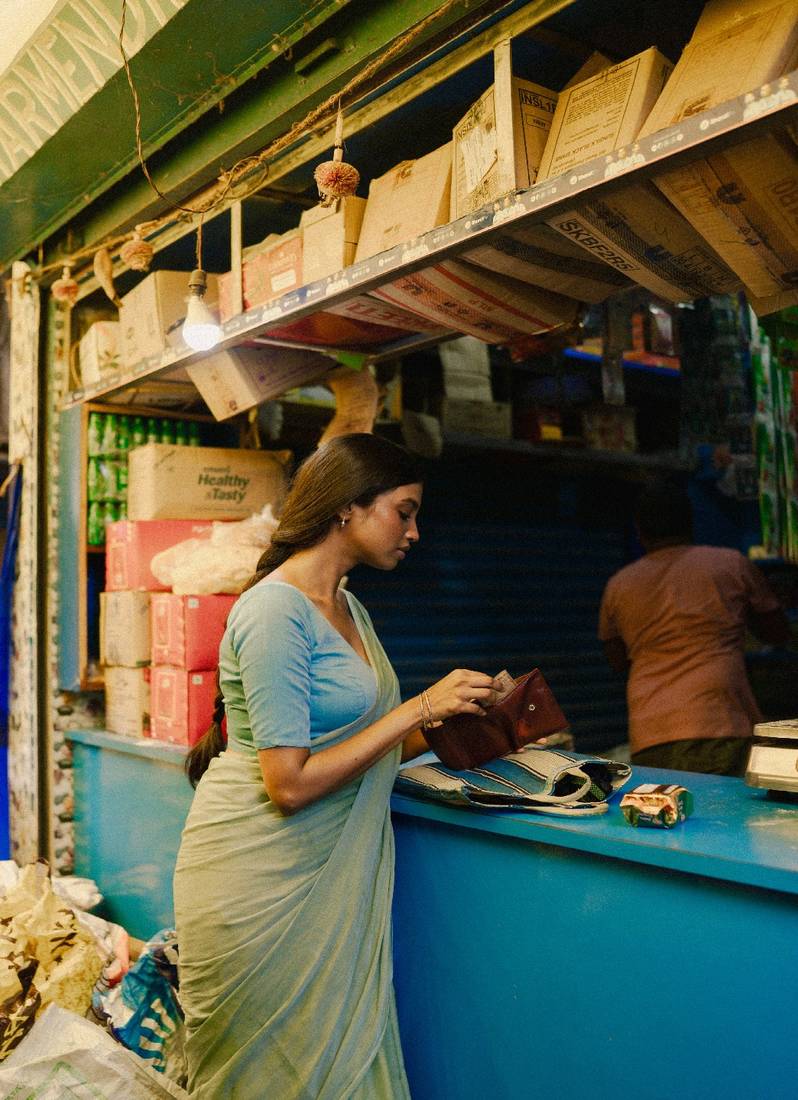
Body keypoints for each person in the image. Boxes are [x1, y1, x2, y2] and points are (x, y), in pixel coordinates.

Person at [173, 433, 498, 1099]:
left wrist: (456, 720)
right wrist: (415, 709)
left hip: (320, 880)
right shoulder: (272, 610)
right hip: (258, 881)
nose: (415, 531)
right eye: (404, 511)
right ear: (348, 508)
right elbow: (288, 784)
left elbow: (369, 748)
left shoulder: (349, 607)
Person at [598, 479, 790, 776]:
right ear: (690, 521)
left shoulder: (619, 584)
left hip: (651, 731)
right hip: (720, 721)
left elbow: (616, 659)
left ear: (640, 530)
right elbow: (777, 632)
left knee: (667, 815)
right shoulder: (730, 565)